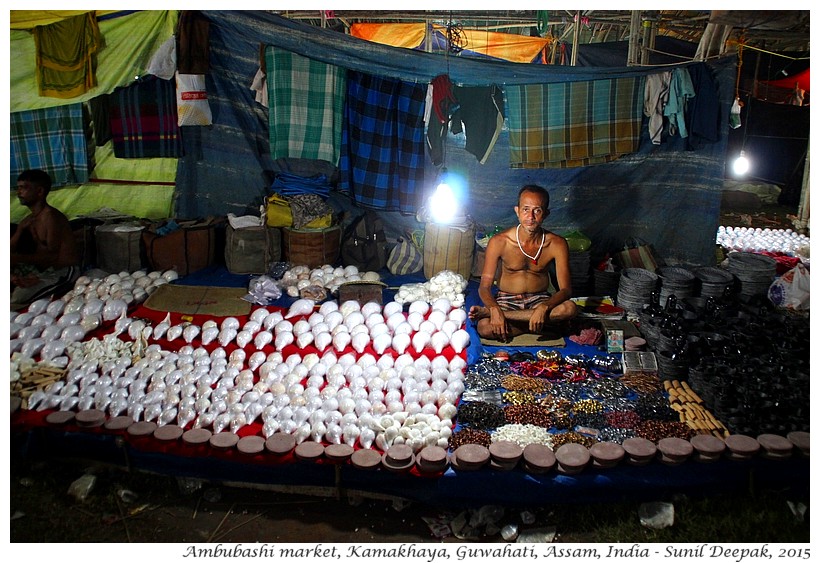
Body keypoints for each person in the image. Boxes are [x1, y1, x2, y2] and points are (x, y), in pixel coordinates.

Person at [469, 184, 577, 341]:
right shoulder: (499, 241)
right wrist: (494, 309)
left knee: (569, 308)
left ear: (546, 214)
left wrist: (544, 307)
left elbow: (566, 290)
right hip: (507, 299)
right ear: (517, 211)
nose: (530, 217)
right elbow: (484, 287)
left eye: (537, 211)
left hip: (539, 299)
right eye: (525, 209)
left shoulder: (557, 244)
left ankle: (521, 322)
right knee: (484, 327)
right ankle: (537, 325)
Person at [10, 169, 80, 311]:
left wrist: (16, 259)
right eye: (18, 188)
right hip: (42, 271)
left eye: (24, 188)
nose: (19, 193)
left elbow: (51, 257)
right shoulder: (29, 220)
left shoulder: (50, 217)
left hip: (63, 272)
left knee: (17, 298)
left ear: (40, 191)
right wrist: (19, 231)